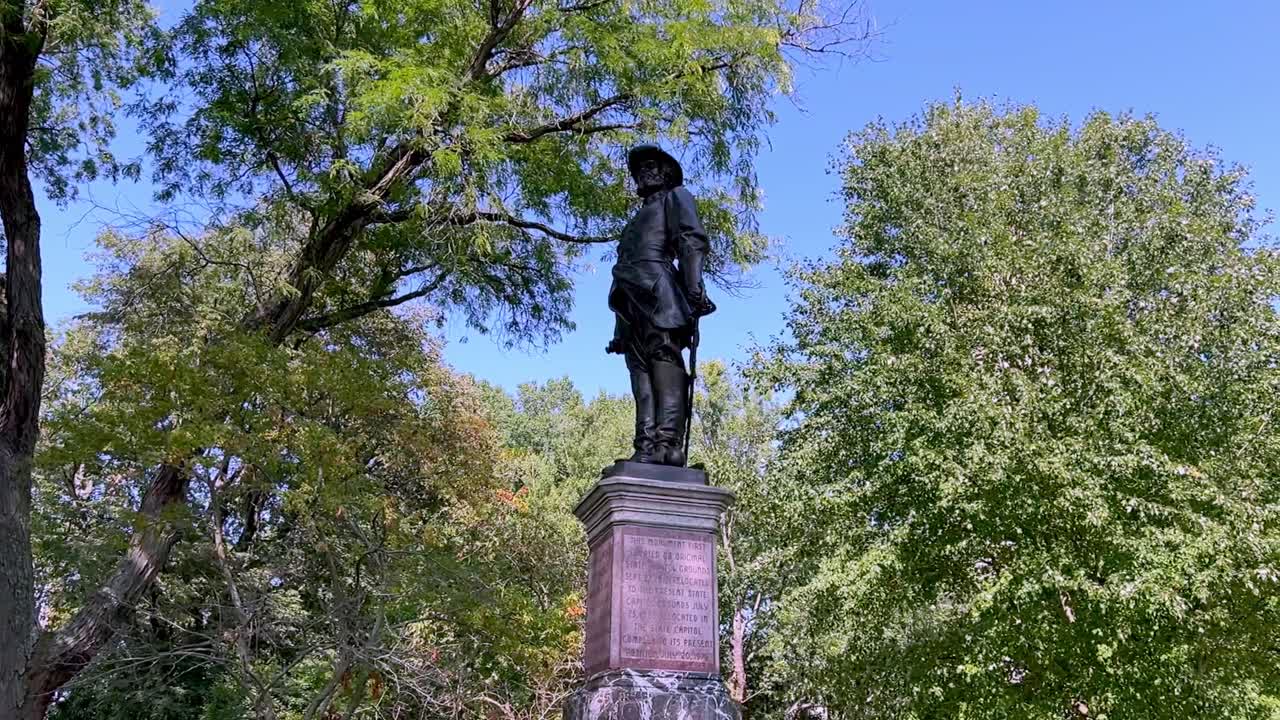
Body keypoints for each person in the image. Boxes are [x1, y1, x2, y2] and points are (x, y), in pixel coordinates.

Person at [605, 145, 715, 466]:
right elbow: (625, 262)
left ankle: (667, 444)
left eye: (651, 166)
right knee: (638, 370)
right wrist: (618, 326)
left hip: (659, 291)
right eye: (639, 169)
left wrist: (693, 288)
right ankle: (645, 444)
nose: (643, 172)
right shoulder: (634, 221)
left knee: (663, 359)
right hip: (629, 300)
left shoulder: (676, 197)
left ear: (665, 172)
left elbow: (691, 241)